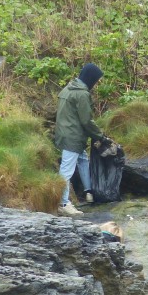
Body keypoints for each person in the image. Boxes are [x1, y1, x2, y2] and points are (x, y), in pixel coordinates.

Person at [54, 63, 106, 216]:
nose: (95, 84)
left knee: (83, 159)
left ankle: (89, 192)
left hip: (64, 133)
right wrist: (100, 136)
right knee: (66, 169)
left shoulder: (68, 89)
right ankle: (63, 203)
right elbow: (86, 121)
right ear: (91, 78)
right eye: (96, 81)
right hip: (73, 136)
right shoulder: (82, 94)